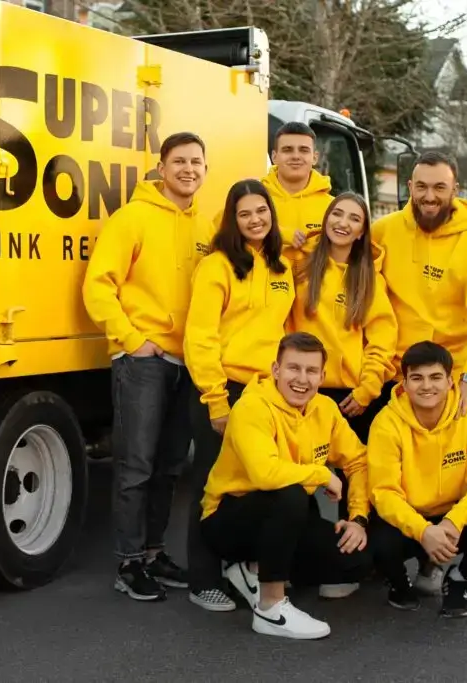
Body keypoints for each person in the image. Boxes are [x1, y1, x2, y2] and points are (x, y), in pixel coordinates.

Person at [82, 131, 214, 602]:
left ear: (205, 168)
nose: (188, 169)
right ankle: (129, 563)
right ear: (161, 166)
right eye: (179, 161)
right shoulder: (132, 218)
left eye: (196, 162)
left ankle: (155, 553)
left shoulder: (207, 228)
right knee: (135, 465)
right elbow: (98, 286)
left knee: (169, 467)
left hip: (188, 363)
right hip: (145, 361)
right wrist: (133, 341)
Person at [371, 150, 467, 591]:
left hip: (446, 380)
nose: (430, 196)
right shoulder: (385, 232)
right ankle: (377, 562)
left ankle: (435, 556)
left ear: (455, 191)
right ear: (409, 188)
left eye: (439, 187)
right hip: (391, 371)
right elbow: (339, 257)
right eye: (421, 187)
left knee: (444, 469)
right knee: (383, 472)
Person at [199, 332, 372, 639]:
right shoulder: (252, 408)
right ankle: (270, 608)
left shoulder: (325, 409)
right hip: (229, 519)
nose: (302, 379)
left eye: (311, 371)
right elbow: (266, 474)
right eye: (293, 368)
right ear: (276, 370)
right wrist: (321, 475)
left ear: (322, 375)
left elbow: (358, 461)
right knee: (289, 494)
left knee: (354, 560)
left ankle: (252, 570)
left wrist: (358, 518)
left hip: (285, 518)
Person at [182, 179, 295, 612]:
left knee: (255, 483)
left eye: (261, 211)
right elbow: (201, 338)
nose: (255, 220)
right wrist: (215, 399)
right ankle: (203, 579)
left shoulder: (280, 266)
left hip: (265, 394)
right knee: (212, 484)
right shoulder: (216, 267)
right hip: (223, 388)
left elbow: (282, 334)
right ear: (232, 219)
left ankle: (245, 568)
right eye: (245, 213)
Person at [367, 341, 467, 618]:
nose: (427, 386)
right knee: (374, 541)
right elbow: (383, 493)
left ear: (451, 381)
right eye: (417, 378)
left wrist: (453, 521)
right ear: (404, 382)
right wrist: (423, 531)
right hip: (408, 518)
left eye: (436, 377)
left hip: (452, 517)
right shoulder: (386, 423)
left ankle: (458, 581)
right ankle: (400, 585)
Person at [289, 191, 398, 520]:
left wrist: (367, 389)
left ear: (362, 231)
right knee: (296, 477)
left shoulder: (368, 279)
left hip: (349, 394)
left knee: (357, 475)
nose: (343, 223)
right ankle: (299, 553)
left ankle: (356, 548)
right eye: (337, 214)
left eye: (354, 218)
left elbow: (382, 338)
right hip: (300, 388)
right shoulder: (300, 264)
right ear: (325, 220)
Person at [216, 122, 334, 250]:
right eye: (287, 150)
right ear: (274, 156)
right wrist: (277, 234)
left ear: (315, 157)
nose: (295, 156)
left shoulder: (332, 208)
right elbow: (222, 238)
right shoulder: (251, 198)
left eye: (303, 150)